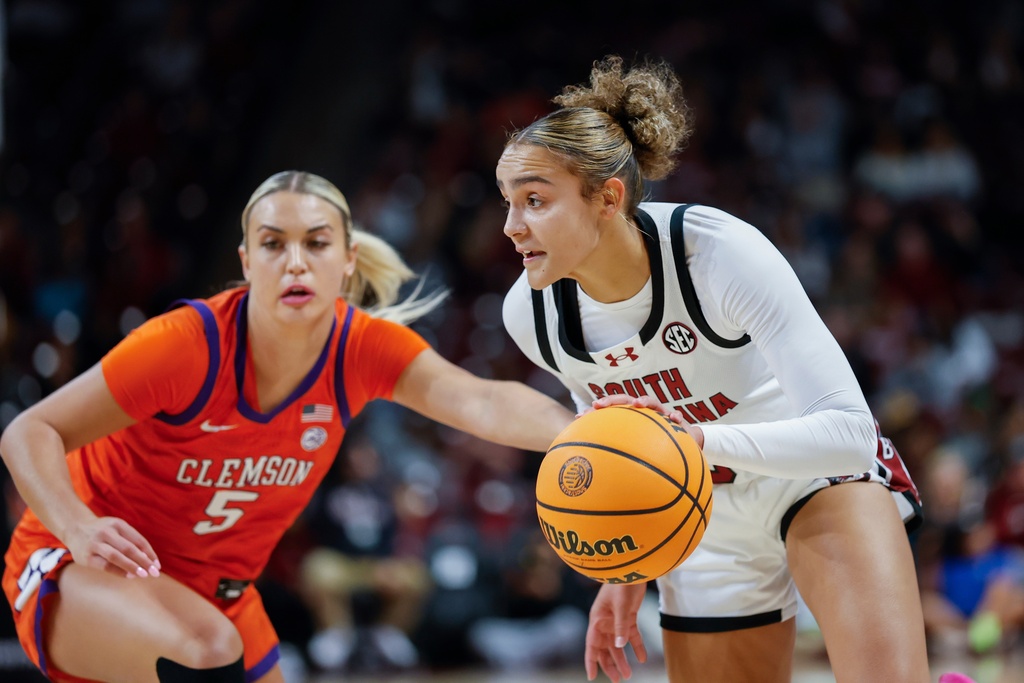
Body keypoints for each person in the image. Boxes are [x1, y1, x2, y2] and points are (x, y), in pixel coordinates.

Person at [0, 170, 575, 683]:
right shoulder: (185, 347)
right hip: (80, 568)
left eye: (316, 243)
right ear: (247, 261)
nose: (295, 262)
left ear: (347, 259)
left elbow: (482, 403)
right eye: (273, 245)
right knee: (206, 651)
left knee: (212, 643)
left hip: (219, 596)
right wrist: (78, 527)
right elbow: (28, 431)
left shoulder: (361, 350)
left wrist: (592, 428)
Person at [495, 55, 932, 683]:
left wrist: (694, 441)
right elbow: (616, 439)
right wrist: (626, 570)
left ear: (607, 198)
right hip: (700, 515)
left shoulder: (716, 253)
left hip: (812, 478)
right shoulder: (529, 313)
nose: (512, 227)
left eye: (534, 200)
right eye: (508, 202)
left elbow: (850, 432)